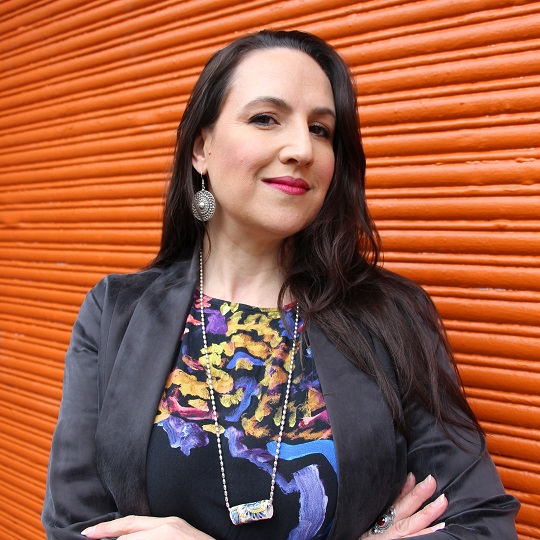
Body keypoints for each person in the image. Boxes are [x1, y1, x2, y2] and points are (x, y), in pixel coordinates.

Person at [42, 30, 519, 540]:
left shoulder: (391, 313)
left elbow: (481, 523)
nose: (301, 149)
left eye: (320, 129)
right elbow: (77, 526)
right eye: (265, 118)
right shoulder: (117, 309)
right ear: (201, 148)